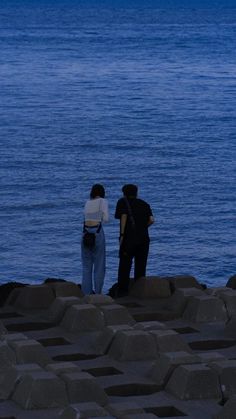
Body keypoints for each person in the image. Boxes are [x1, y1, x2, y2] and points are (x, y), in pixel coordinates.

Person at [115, 184, 154, 295]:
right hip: (144, 239)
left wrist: (122, 235)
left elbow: (123, 217)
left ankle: (122, 292)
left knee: (124, 266)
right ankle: (140, 291)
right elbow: (151, 220)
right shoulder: (145, 204)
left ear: (124, 193)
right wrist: (142, 227)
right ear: (136, 193)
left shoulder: (122, 202)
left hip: (128, 238)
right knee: (141, 266)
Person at [81, 184, 109, 294]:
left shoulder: (88, 202)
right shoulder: (103, 201)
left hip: (85, 233)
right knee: (99, 265)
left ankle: (86, 294)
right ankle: (98, 294)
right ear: (102, 192)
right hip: (97, 232)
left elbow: (86, 217)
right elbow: (106, 219)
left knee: (86, 267)